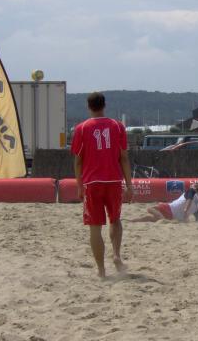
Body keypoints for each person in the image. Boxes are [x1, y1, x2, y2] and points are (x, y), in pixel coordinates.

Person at [72, 92, 133, 278]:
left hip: (92, 182)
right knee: (115, 219)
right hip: (113, 180)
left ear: (89, 106)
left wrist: (79, 185)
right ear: (104, 105)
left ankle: (101, 270)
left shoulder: (82, 128)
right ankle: (116, 255)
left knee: (95, 227)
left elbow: (78, 161)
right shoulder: (117, 126)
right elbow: (124, 158)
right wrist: (129, 185)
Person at [130, 183, 198, 223]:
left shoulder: (192, 190)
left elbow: (189, 199)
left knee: (150, 209)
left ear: (195, 187)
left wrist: (185, 210)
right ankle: (134, 221)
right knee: (153, 219)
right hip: (173, 217)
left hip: (169, 208)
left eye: (193, 184)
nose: (191, 185)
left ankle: (162, 219)